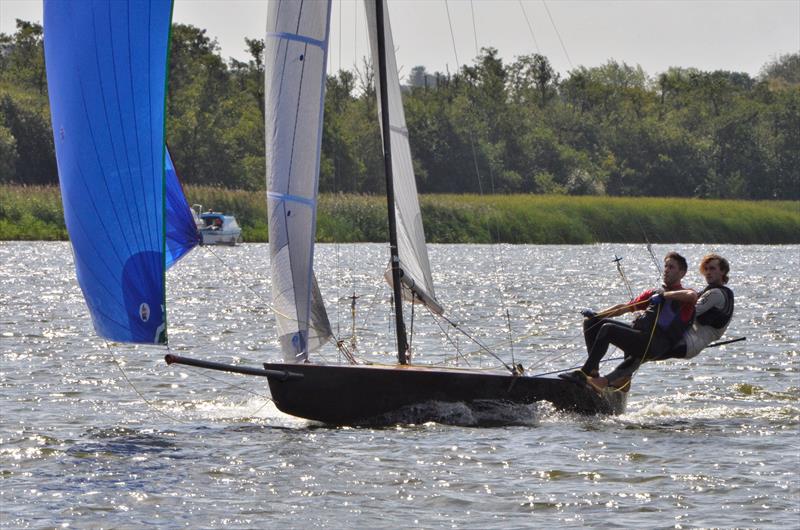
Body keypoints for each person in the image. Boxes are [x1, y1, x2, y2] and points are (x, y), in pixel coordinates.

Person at [585, 254, 734, 392]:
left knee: (641, 350)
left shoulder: (716, 294)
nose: (708, 272)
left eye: (712, 269)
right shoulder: (705, 291)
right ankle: (613, 378)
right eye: (706, 269)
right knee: (631, 337)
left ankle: (607, 380)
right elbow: (624, 308)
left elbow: (691, 303)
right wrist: (598, 315)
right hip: (681, 336)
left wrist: (663, 299)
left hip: (688, 343)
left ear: (723, 272)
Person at [560, 251, 695, 389]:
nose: (666, 270)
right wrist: (598, 315)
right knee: (592, 323)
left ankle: (584, 373)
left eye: (671, 267)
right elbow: (624, 308)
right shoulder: (653, 294)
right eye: (665, 266)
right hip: (641, 336)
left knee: (608, 329)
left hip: (656, 344)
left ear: (682, 273)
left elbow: (692, 296)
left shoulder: (684, 297)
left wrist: (665, 295)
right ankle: (593, 373)